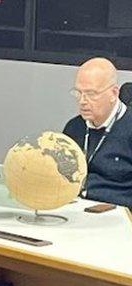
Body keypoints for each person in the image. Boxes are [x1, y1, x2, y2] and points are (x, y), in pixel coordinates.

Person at [62, 57, 132, 207]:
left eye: (91, 94)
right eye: (78, 93)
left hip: (120, 214)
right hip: (75, 209)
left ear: (114, 93)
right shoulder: (74, 127)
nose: (82, 101)